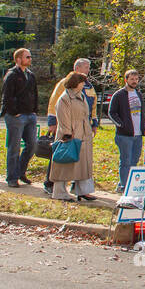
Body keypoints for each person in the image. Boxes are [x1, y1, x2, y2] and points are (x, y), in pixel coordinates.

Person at [45, 59, 98, 197]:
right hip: (70, 134)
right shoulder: (64, 95)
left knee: (82, 164)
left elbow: (92, 108)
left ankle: (82, 191)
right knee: (64, 161)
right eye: (85, 67)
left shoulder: (84, 91)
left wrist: (94, 123)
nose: (88, 70)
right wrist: (66, 132)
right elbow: (59, 112)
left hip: (83, 133)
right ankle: (58, 190)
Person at [1, 48, 38, 188]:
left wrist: (34, 111)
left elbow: (35, 93)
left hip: (30, 115)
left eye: (30, 56)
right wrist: (14, 111)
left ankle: (20, 171)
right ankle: (12, 177)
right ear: (18, 59)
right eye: (27, 57)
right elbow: (7, 96)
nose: (30, 59)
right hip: (16, 116)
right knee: (14, 147)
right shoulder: (12, 75)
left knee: (32, 145)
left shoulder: (30, 75)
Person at [109, 68, 145, 195]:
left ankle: (130, 184)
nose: (134, 81)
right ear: (126, 79)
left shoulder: (138, 94)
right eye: (132, 79)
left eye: (136, 79)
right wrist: (121, 125)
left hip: (138, 134)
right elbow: (111, 112)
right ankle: (123, 185)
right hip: (124, 135)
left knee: (134, 160)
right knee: (125, 161)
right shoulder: (119, 95)